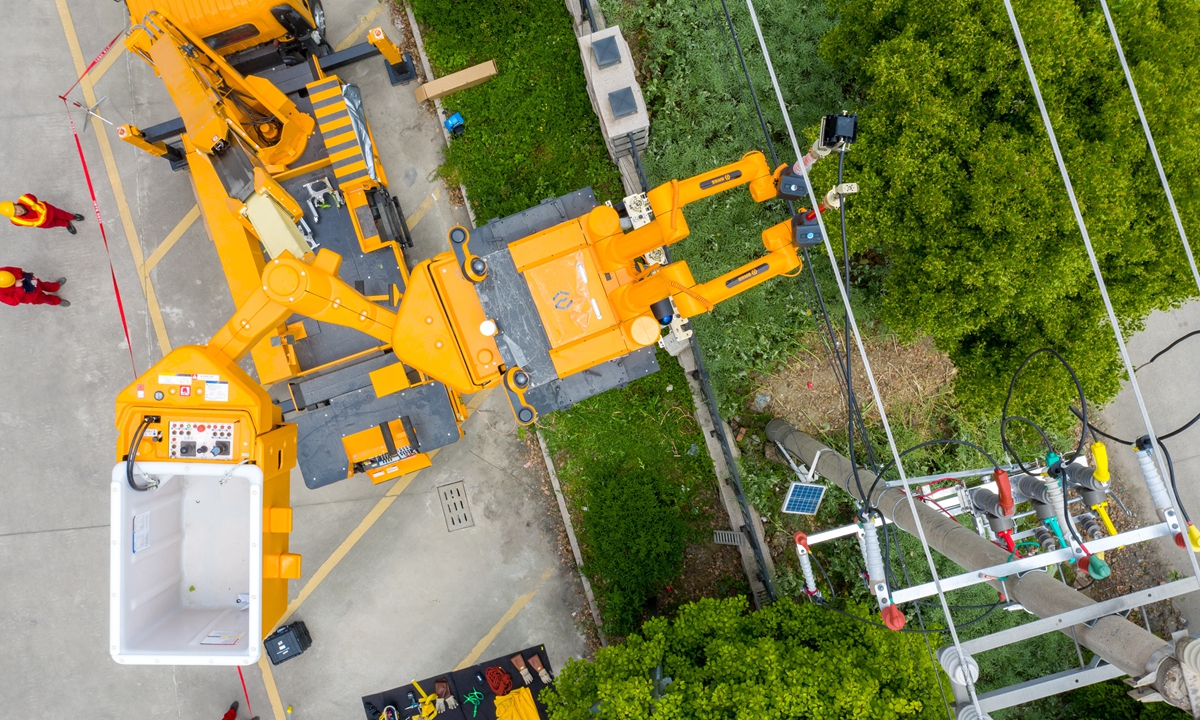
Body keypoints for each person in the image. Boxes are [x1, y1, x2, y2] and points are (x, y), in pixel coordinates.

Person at [1, 194, 85, 234]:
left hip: (49, 211)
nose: (18, 212)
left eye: (16, 208)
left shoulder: (26, 198)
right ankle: (66, 224)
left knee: (61, 214)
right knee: (55, 223)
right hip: (44, 223)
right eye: (15, 213)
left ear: (15, 204)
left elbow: (33, 197)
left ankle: (71, 217)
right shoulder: (15, 221)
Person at [0, 267, 69, 307]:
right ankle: (56, 301)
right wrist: (18, 288)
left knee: (45, 285)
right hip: (32, 296)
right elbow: (14, 302)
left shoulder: (2, 271)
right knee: (46, 299)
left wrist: (25, 274)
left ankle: (55, 286)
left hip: (32, 282)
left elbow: (14, 270)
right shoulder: (1, 295)